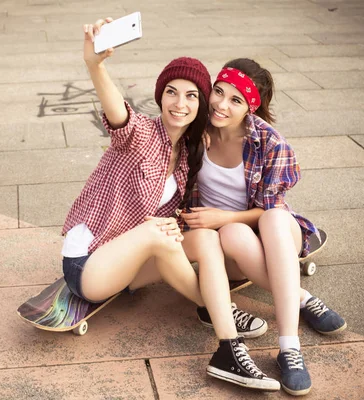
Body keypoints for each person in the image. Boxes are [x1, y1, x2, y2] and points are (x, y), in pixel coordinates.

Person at [63, 19, 277, 392]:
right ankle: (227, 339)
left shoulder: (184, 156)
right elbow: (118, 113)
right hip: (89, 265)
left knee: (204, 239)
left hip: (130, 264)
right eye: (172, 93)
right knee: (156, 232)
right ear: (160, 96)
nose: (180, 103)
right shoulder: (140, 132)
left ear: (201, 103)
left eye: (192, 95)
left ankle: (216, 314)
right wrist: (95, 64)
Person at [180, 58, 347, 396]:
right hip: (228, 241)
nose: (221, 105)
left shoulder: (270, 143)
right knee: (231, 234)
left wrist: (223, 216)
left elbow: (273, 208)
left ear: (251, 107)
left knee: (268, 217)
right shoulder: (196, 130)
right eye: (218, 92)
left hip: (276, 230)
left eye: (235, 100)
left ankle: (289, 348)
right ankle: (301, 297)